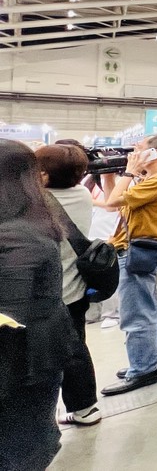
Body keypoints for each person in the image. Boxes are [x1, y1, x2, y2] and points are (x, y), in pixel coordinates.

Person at [0, 140, 74, 471]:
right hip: (32, 355)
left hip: (21, 362)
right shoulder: (30, 221)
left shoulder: (18, 236)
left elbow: (9, 316)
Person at [99, 135, 157, 396]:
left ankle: (143, 369)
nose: (134, 153)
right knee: (148, 307)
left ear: (155, 153)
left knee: (136, 312)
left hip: (139, 250)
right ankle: (151, 360)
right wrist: (109, 175)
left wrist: (128, 172)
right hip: (138, 248)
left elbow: (112, 202)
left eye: (139, 149)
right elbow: (113, 204)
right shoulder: (151, 179)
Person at [36, 144, 102, 427]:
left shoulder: (36, 203)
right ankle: (85, 407)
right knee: (76, 348)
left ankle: (40, 418)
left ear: (44, 175)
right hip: (74, 288)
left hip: (44, 292)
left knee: (41, 355)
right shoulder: (83, 194)